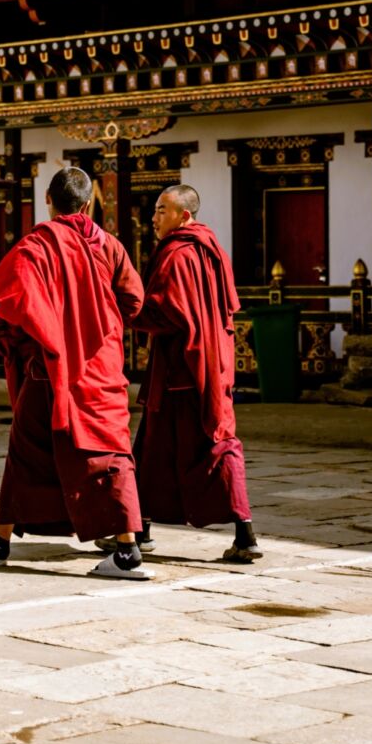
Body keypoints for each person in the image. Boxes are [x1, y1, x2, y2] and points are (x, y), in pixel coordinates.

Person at [0, 166, 152, 579]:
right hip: (102, 368)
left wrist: (43, 333)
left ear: (47, 200)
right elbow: (134, 301)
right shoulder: (110, 246)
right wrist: (100, 326)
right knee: (111, 453)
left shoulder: (36, 245)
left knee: (25, 451)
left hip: (52, 368)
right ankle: (126, 551)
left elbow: (8, 299)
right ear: (88, 204)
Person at [125, 183, 261, 563]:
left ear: (184, 216)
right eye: (155, 209)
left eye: (162, 210)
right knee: (211, 444)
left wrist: (126, 307)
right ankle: (242, 533)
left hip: (180, 372)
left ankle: (139, 533)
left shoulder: (176, 254)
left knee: (158, 451)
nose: (154, 218)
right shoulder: (212, 249)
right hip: (213, 365)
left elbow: (167, 313)